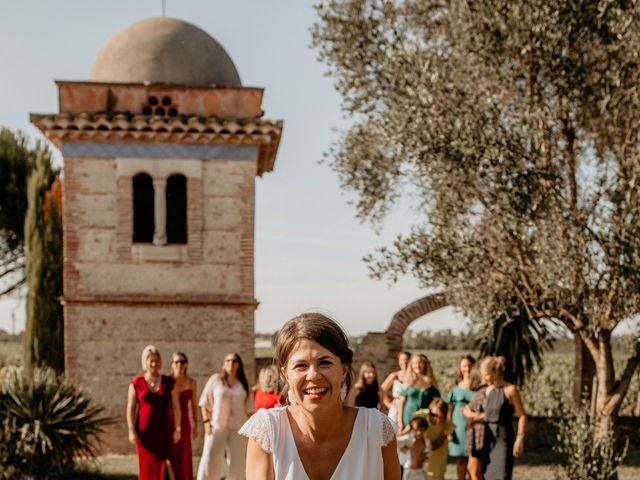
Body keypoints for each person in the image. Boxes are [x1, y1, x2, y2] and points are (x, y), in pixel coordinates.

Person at [240, 312, 401, 479]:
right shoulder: (268, 432)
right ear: (285, 375)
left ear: (343, 371)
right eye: (301, 366)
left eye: (325, 363)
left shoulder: (376, 431)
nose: (313, 375)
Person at [464, 356, 527, 480]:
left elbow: (522, 415)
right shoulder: (487, 390)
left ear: (496, 372)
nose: (483, 379)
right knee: (487, 476)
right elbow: (489, 416)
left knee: (502, 475)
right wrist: (474, 419)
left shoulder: (510, 390)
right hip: (488, 439)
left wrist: (520, 438)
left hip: (503, 439)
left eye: (486, 375)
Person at [127, 345, 181, 480]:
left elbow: (176, 406)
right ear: (145, 362)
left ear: (160, 362)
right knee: (147, 468)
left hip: (164, 431)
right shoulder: (136, 383)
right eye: (151, 360)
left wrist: (178, 428)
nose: (154, 364)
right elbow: (131, 407)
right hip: (145, 434)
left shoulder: (169, 382)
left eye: (157, 360)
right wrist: (131, 429)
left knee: (167, 465)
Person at [196, 353, 251, 480]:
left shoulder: (243, 383)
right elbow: (204, 402)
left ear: (238, 364)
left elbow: (249, 408)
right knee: (210, 458)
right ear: (223, 364)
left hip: (239, 428)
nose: (231, 363)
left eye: (234, 361)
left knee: (238, 463)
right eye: (228, 360)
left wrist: (249, 430)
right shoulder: (216, 380)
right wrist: (206, 423)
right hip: (216, 426)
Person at [446, 355, 479, 480]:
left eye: (469, 365)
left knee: (474, 460)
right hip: (458, 426)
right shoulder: (455, 388)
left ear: (474, 367)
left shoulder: (479, 386)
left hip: (475, 425)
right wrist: (449, 429)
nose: (467, 368)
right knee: (460, 460)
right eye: (464, 366)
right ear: (460, 368)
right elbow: (449, 409)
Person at [170, 352, 198, 480]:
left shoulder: (191, 382)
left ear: (186, 365)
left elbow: (194, 405)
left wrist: (195, 425)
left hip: (185, 422)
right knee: (171, 453)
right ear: (172, 364)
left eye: (182, 362)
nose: (179, 365)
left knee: (184, 454)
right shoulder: (167, 382)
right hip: (170, 422)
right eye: (176, 362)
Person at [413, 398, 455, 480]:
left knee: (437, 475)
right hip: (421, 450)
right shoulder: (421, 416)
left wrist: (424, 454)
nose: (433, 418)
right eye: (432, 414)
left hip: (437, 453)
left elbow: (438, 443)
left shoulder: (446, 423)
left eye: (438, 416)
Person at [397, 353, 440, 431]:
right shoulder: (408, 381)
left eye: (420, 362)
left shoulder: (431, 381)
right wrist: (400, 423)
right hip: (408, 419)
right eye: (414, 363)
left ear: (425, 364)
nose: (417, 365)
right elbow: (401, 403)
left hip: (425, 420)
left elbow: (437, 402)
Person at [380, 351, 411, 424]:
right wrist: (387, 403)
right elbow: (382, 389)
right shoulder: (395, 375)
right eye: (402, 359)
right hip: (396, 407)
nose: (404, 362)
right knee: (393, 431)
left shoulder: (415, 376)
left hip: (409, 406)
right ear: (399, 361)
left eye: (407, 359)